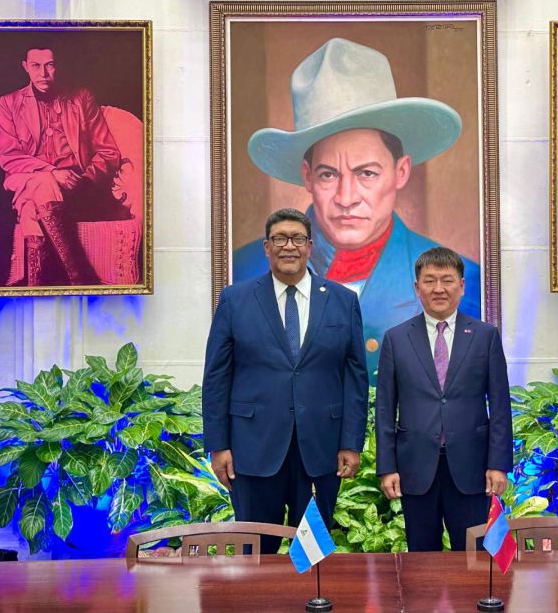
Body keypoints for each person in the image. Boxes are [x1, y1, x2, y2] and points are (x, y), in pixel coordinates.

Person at [234, 37, 481, 381]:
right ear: (307, 176)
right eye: (328, 174)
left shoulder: (467, 283)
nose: (346, 197)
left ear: (401, 172)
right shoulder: (242, 272)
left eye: (366, 173)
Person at [203, 208, 369, 553]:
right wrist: (218, 446)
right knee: (256, 553)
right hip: (252, 448)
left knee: (311, 553)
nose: (288, 246)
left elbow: (355, 377)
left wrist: (351, 443)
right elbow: (217, 377)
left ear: (309, 246)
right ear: (267, 247)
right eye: (279, 238)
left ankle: (309, 590)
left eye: (297, 238)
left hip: (320, 450)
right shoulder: (235, 299)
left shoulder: (343, 300)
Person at [374, 246, 511, 552]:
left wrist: (498, 464)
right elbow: (384, 409)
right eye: (430, 280)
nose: (439, 289)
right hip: (415, 467)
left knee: (473, 557)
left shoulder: (485, 336)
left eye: (447, 280)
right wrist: (387, 467)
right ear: (417, 287)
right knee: (422, 559)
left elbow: (500, 405)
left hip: (472, 467)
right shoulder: (396, 339)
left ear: (461, 286)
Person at [0, 46, 128, 286]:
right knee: (43, 181)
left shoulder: (81, 98)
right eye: (36, 66)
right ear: (25, 67)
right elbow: (9, 156)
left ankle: (35, 288)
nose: (43, 73)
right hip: (26, 177)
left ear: (58, 66)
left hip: (73, 187)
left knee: (30, 208)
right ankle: (79, 277)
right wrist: (53, 173)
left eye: (50, 65)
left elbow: (108, 152)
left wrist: (84, 181)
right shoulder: (9, 103)